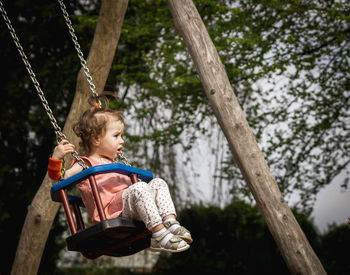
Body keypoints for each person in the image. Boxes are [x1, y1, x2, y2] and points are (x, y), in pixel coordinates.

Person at [47, 96, 192, 253]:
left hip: (128, 207)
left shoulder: (113, 163)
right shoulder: (85, 163)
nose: (122, 140)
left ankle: (170, 223)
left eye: (121, 135)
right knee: (140, 188)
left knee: (158, 183)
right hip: (110, 213)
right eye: (116, 136)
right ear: (96, 139)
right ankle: (159, 235)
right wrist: (56, 158)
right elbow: (60, 179)